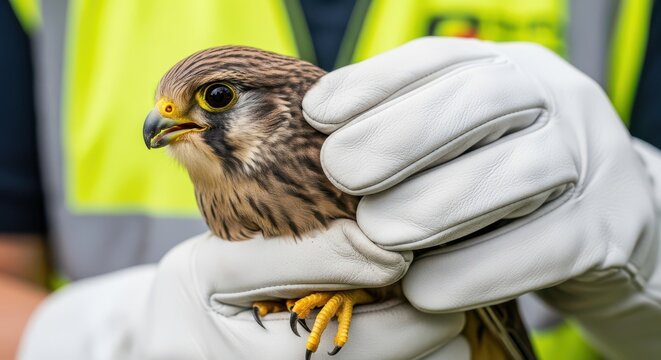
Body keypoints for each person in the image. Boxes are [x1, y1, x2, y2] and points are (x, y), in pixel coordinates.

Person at [2, 0, 660, 358]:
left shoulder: (333, 149)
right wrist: (108, 339)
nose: (166, 122)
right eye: (171, 109)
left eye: (216, 100)